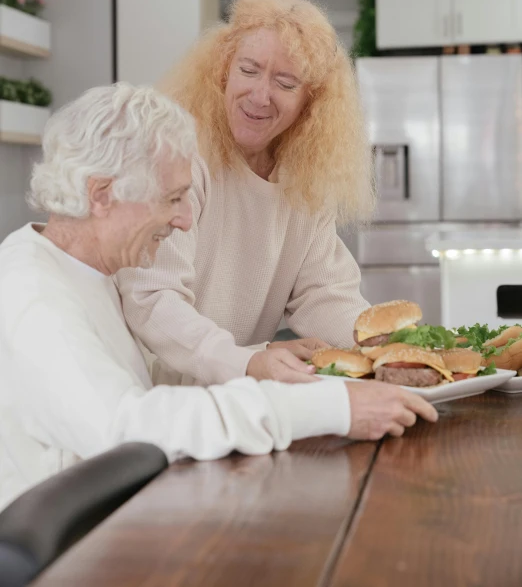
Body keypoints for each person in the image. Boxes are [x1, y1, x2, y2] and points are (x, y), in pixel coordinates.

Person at [0, 83, 437, 511]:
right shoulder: (32, 295)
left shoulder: (88, 275)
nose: (187, 220)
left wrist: (264, 361)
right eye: (173, 198)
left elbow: (145, 391)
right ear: (101, 195)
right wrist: (324, 407)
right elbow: (129, 428)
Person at [117, 0, 375, 385]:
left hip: (234, 391)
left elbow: (325, 295)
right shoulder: (181, 159)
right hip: (158, 391)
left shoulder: (303, 184)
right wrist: (249, 360)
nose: (259, 95)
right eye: (249, 70)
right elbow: (153, 300)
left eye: (285, 82)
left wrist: (390, 344)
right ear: (224, 70)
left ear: (312, 102)